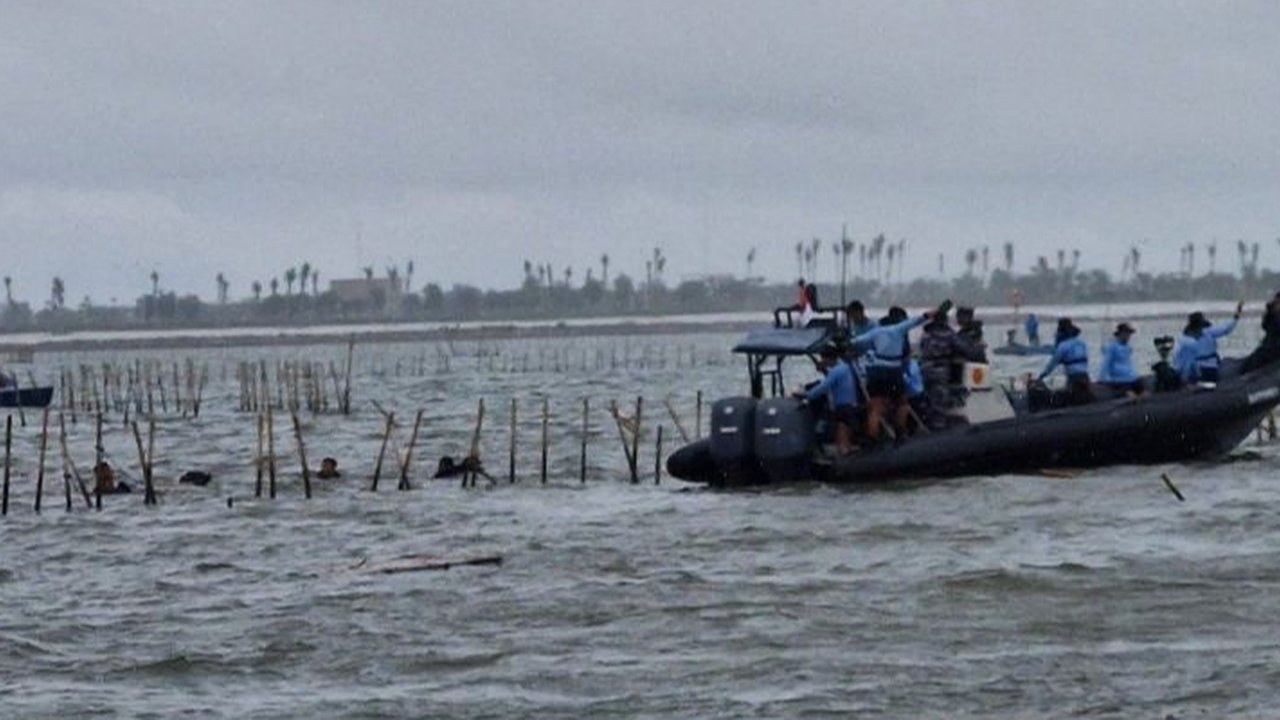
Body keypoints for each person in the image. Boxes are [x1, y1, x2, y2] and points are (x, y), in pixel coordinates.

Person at [852, 304, 938, 442]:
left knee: (875, 407)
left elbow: (856, 341)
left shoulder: (876, 332)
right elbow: (918, 320)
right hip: (892, 371)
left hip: (875, 372)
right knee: (902, 403)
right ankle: (900, 433)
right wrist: (933, 313)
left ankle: (872, 440)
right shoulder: (898, 329)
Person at [918, 308, 987, 428]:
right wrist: (978, 354)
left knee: (928, 399)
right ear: (945, 321)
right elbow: (965, 349)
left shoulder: (926, 334)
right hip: (939, 370)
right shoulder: (948, 334)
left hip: (924, 370)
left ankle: (928, 423)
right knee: (940, 400)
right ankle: (939, 428)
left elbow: (922, 349)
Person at [794, 344, 858, 454]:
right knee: (846, 427)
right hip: (850, 403)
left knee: (841, 426)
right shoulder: (845, 367)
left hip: (843, 405)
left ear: (828, 358)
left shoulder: (836, 371)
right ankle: (846, 448)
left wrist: (806, 395)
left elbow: (824, 387)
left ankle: (843, 450)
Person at [1175, 304, 1241, 384]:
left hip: (1198, 371)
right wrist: (1236, 316)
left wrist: (1181, 373)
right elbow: (1226, 329)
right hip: (1210, 369)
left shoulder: (1184, 339)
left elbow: (1180, 359)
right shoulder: (1208, 332)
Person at [1037, 317, 1092, 405]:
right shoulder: (1082, 343)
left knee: (1071, 401)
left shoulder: (1063, 346)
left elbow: (1052, 364)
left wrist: (1042, 375)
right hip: (1085, 375)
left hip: (1073, 378)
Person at [1098, 322, 1143, 396]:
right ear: (1120, 334)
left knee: (1143, 389)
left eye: (1129, 334)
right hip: (1119, 379)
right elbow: (1106, 363)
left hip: (1131, 378)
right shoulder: (1112, 347)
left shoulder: (1128, 347)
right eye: (1126, 334)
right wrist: (1102, 378)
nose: (1128, 336)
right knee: (1128, 393)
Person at [1242, 292, 1280, 373]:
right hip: (1269, 345)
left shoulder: (1276, 315)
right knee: (1248, 365)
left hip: (1274, 348)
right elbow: (1265, 326)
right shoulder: (1272, 313)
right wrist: (1270, 312)